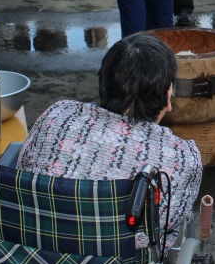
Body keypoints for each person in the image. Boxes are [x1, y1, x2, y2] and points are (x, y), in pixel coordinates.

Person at [18, 33, 203, 246]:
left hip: (35, 251)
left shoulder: (57, 115)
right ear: (167, 95)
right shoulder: (182, 158)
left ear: (103, 80)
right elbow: (170, 222)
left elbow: (23, 165)